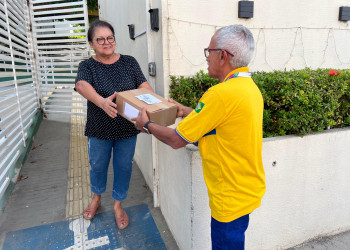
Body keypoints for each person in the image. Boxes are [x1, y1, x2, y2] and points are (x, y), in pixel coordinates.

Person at [133, 24, 265, 249]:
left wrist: (146, 125)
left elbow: (176, 139)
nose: (207, 58)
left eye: (209, 51)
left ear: (223, 56)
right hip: (247, 189)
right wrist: (187, 111)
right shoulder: (249, 88)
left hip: (229, 197)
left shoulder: (220, 94)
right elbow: (222, 123)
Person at [75, 20, 153, 230]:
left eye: (110, 37)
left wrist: (156, 101)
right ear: (92, 43)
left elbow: (143, 86)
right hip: (99, 129)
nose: (106, 42)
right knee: (98, 165)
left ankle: (118, 205)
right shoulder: (87, 65)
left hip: (127, 128)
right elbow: (81, 85)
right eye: (100, 39)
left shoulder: (129, 62)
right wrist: (101, 102)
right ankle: (97, 197)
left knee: (123, 167)